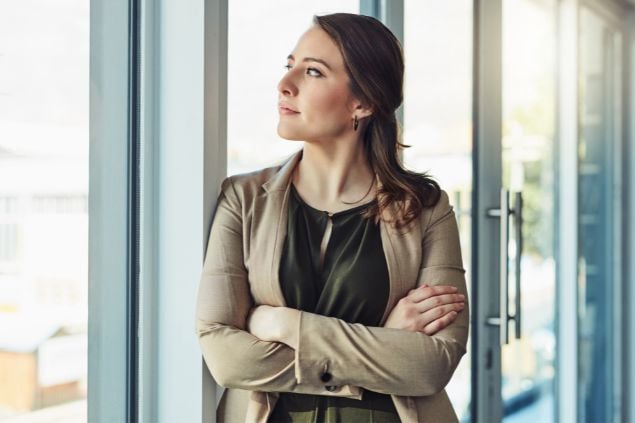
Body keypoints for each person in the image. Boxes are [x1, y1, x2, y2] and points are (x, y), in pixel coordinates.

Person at [195, 12, 469, 423]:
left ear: (364, 102)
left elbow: (430, 365)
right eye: (290, 67)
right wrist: (385, 343)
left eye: (312, 72)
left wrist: (282, 323)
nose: (285, 85)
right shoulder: (243, 198)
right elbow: (226, 357)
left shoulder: (426, 207)